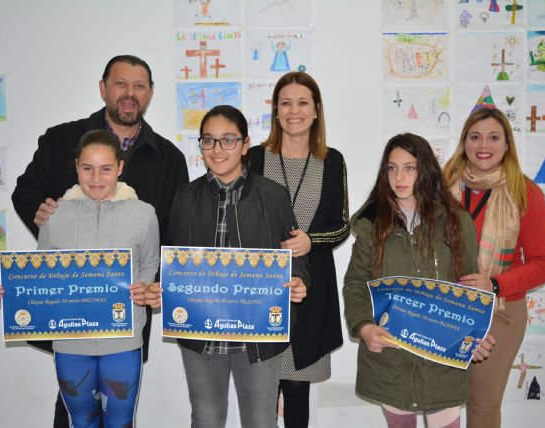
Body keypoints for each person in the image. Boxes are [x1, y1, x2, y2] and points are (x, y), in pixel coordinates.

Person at [9, 54, 189, 427]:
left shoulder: (169, 157)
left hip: (124, 314)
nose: (129, 93)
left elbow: (173, 230)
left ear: (150, 93)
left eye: (139, 86)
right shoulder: (61, 140)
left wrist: (159, 286)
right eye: (121, 83)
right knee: (74, 411)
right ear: (103, 87)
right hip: (71, 314)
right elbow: (26, 192)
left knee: (119, 410)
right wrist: (42, 214)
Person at [143, 105, 309, 428]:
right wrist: (161, 288)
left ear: (245, 145)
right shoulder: (184, 196)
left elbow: (295, 253)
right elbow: (173, 258)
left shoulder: (273, 196)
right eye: (209, 140)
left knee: (261, 421)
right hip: (200, 336)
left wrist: (299, 280)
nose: (218, 150)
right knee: (205, 420)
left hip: (258, 338)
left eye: (228, 140)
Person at [0, 130, 159, 427]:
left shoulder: (144, 214)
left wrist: (144, 288)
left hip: (123, 342)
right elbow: (42, 277)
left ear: (120, 168)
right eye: (87, 168)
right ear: (76, 166)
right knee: (82, 421)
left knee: (120, 422)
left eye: (106, 168)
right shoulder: (54, 214)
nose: (96, 178)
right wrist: (4, 293)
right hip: (70, 344)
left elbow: (150, 262)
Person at [343, 134, 495, 428]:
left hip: (442, 363)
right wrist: (363, 327)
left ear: (425, 170)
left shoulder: (455, 221)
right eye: (391, 168)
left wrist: (475, 334)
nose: (398, 177)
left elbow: (469, 287)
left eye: (409, 168)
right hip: (390, 362)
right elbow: (356, 283)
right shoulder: (371, 223)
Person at [248, 71, 349, 428]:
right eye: (285, 103)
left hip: (311, 292)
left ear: (317, 110)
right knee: (260, 390)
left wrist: (311, 240)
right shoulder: (254, 159)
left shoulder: (332, 161)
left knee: (296, 387)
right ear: (275, 111)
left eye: (303, 102)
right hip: (259, 291)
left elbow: (341, 226)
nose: (294, 110)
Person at [443, 108, 545, 428]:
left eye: (494, 137)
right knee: (439, 402)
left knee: (482, 406)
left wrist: (493, 285)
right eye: (475, 136)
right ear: (463, 142)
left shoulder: (525, 191)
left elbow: (543, 263)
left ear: (507, 144)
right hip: (445, 307)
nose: (484, 145)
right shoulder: (441, 187)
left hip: (500, 312)